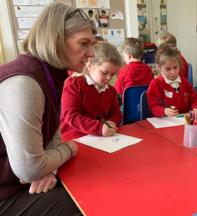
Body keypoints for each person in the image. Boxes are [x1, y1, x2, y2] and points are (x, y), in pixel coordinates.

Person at [0, 3, 96, 215]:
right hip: (6, 191)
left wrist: (48, 168)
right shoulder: (24, 82)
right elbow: (29, 167)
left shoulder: (53, 74)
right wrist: (71, 148)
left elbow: (53, 136)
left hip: (22, 179)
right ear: (55, 42)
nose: (91, 53)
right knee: (84, 203)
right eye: (83, 44)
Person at [60, 42, 123, 141]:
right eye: (104, 73)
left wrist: (110, 123)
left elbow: (117, 113)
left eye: (112, 74)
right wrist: (99, 128)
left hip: (101, 139)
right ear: (90, 65)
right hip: (75, 138)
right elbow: (72, 116)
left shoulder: (110, 90)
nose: (109, 78)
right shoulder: (73, 85)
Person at [147, 44, 197, 117]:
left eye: (175, 67)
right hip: (165, 122)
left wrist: (196, 108)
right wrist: (164, 111)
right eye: (168, 69)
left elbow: (195, 100)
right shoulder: (156, 84)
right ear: (159, 67)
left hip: (184, 120)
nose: (173, 72)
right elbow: (153, 106)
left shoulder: (184, 82)